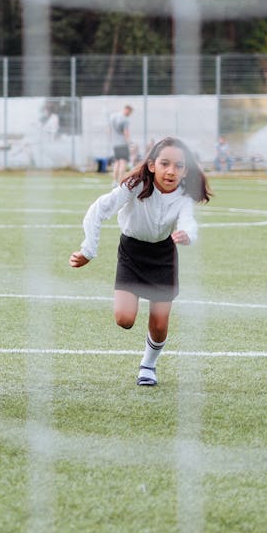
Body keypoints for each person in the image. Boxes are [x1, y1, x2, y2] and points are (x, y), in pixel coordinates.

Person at [69, 136, 212, 386]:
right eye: (165, 163)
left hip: (163, 256)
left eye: (178, 166)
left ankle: (148, 366)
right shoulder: (135, 185)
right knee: (124, 319)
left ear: (185, 170)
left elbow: (188, 220)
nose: (171, 171)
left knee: (159, 324)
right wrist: (88, 250)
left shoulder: (184, 195)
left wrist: (188, 234)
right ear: (152, 165)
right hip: (132, 252)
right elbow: (98, 210)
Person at [108, 104, 134, 184]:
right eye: (130, 112)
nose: (130, 114)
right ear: (127, 110)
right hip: (122, 143)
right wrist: (129, 142)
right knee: (123, 162)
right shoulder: (125, 119)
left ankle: (114, 181)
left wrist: (111, 139)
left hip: (115, 143)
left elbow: (109, 129)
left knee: (116, 162)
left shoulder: (113, 116)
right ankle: (120, 181)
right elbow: (126, 132)